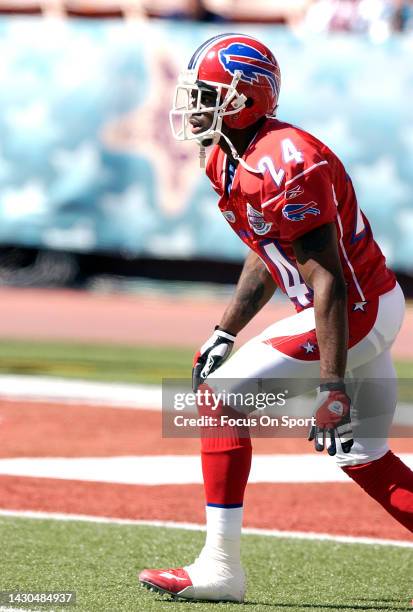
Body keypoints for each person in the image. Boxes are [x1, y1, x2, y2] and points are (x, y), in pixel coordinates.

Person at [139, 33, 413, 602]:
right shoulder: (225, 153)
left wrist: (330, 383)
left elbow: (326, 277)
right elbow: (268, 250)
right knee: (364, 455)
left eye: (207, 94)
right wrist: (226, 328)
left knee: (219, 397)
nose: (194, 106)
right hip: (362, 303)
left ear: (245, 99)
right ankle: (219, 567)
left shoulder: (286, 161)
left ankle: (219, 567)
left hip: (351, 306)